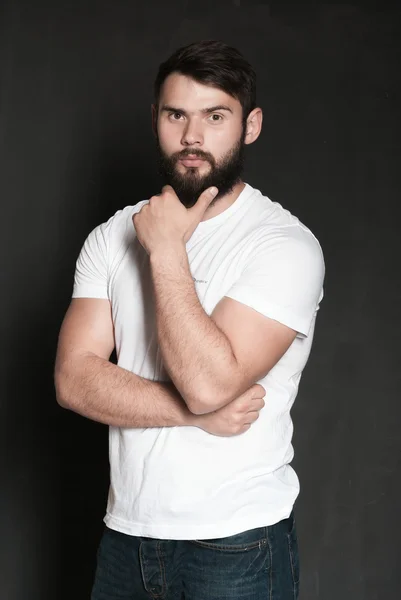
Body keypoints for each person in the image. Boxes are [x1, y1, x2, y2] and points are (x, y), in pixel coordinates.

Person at [55, 40, 325, 600]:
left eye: (215, 116)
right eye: (176, 114)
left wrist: (169, 251)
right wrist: (193, 415)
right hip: (125, 536)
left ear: (250, 126)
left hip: (235, 544)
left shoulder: (284, 246)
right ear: (156, 119)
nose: (192, 137)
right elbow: (73, 380)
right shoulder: (110, 236)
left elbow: (208, 382)